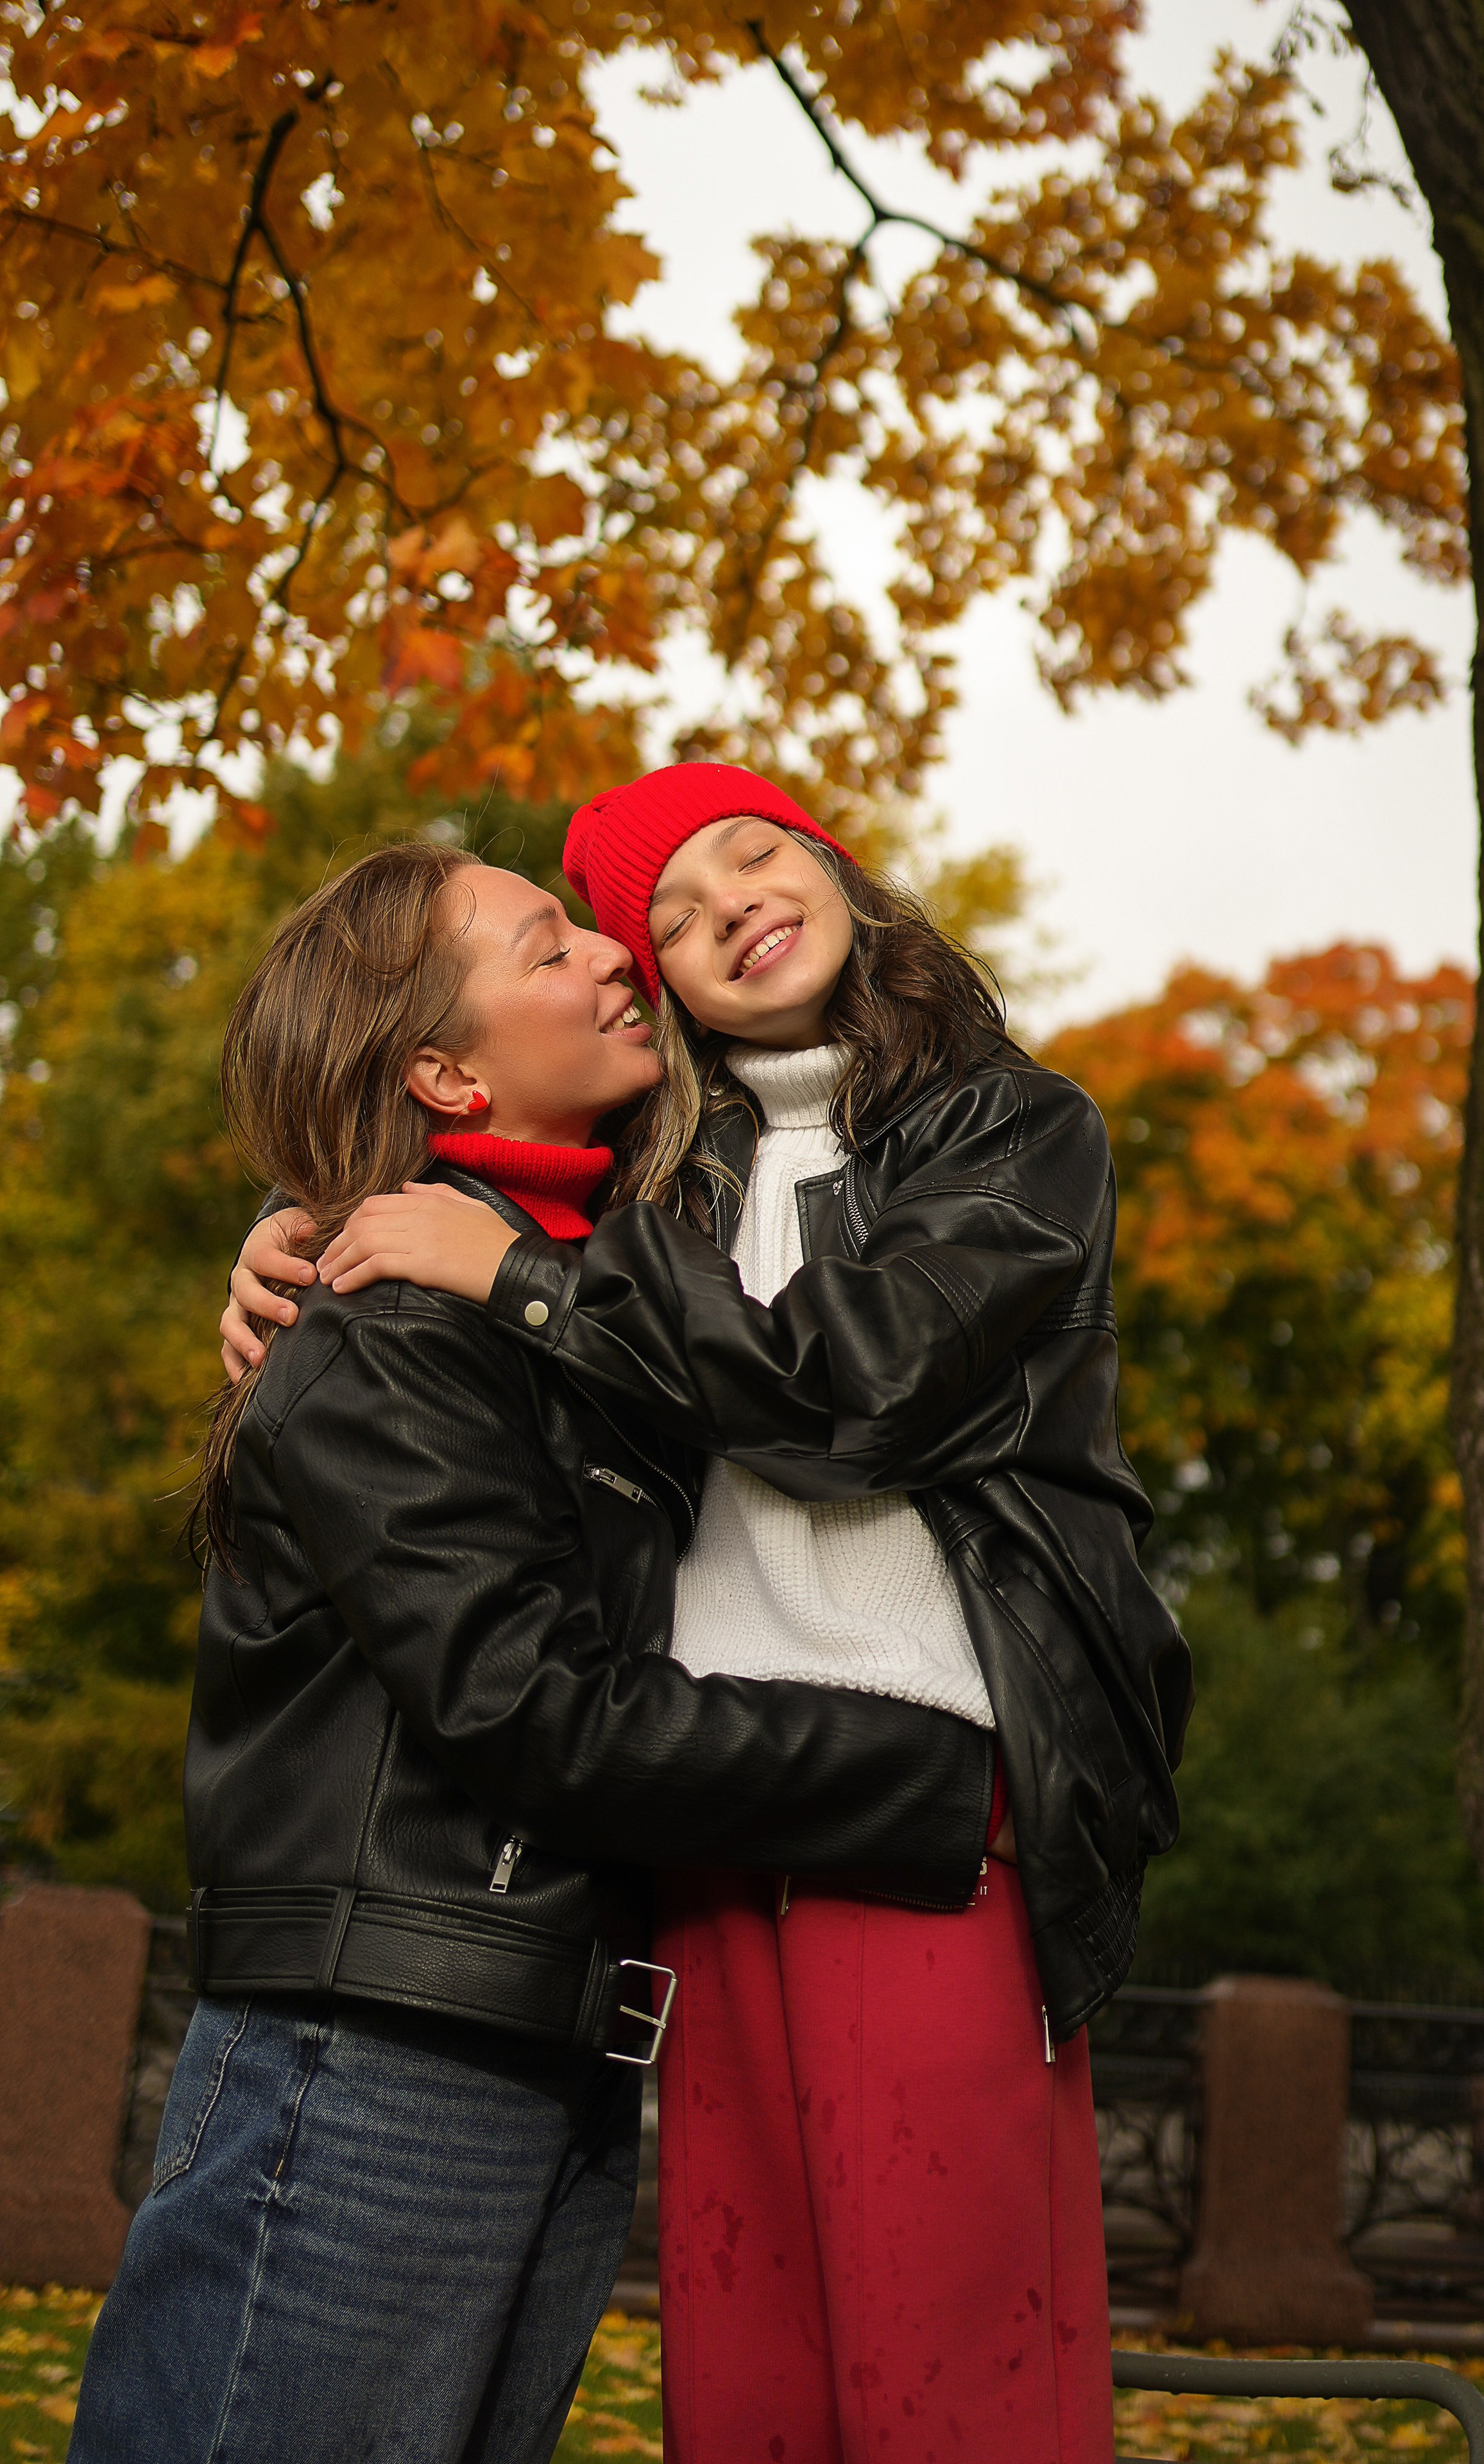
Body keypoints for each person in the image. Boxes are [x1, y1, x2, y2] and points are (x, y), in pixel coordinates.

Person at [228, 766, 1192, 2464]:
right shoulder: (657, 1166)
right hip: (692, 1818)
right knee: (750, 2376)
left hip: (927, 1795)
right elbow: (446, 1156)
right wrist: (291, 1235)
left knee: (951, 2378)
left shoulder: (1013, 1131)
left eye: (751, 850)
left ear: (829, 857)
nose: (721, 905)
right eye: (655, 916)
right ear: (650, 981)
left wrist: (506, 1272)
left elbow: (859, 1387)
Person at [72, 841, 999, 2464]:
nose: (617, 960)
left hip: (548, 2046)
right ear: (441, 1066)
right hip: (370, 2057)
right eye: (548, 945)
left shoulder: (574, 1304)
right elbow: (539, 1713)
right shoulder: (387, 1326)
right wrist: (932, 1777)